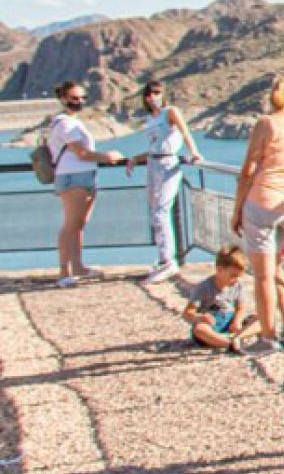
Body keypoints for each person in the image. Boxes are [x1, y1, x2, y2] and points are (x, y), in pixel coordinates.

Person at [230, 76, 284, 352]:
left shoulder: (267, 124)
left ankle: (268, 337)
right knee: (276, 267)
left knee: (263, 275)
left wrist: (237, 209)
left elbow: (248, 170)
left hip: (262, 203)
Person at [47, 81, 128, 289]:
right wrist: (107, 156)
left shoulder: (72, 122)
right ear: (63, 99)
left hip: (84, 176)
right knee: (71, 224)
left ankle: (78, 266)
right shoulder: (65, 123)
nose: (79, 102)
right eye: (74, 98)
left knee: (79, 224)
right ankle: (64, 271)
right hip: (72, 177)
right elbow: (81, 153)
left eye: (82, 98)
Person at [124, 80, 203, 286]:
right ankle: (163, 257)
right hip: (153, 163)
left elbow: (185, 133)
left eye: (157, 92)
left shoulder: (171, 112)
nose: (153, 97)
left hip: (168, 163)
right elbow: (156, 146)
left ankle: (169, 261)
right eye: (149, 94)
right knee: (155, 212)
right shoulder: (151, 118)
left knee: (162, 210)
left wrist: (194, 153)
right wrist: (136, 158)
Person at [182, 246, 257, 351]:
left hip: (230, 323)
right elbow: (187, 313)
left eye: (239, 276)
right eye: (233, 276)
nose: (236, 280)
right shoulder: (204, 287)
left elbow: (240, 307)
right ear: (219, 269)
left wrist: (237, 321)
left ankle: (238, 338)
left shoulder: (237, 286)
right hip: (212, 325)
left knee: (259, 319)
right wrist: (200, 317)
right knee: (200, 329)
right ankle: (229, 344)